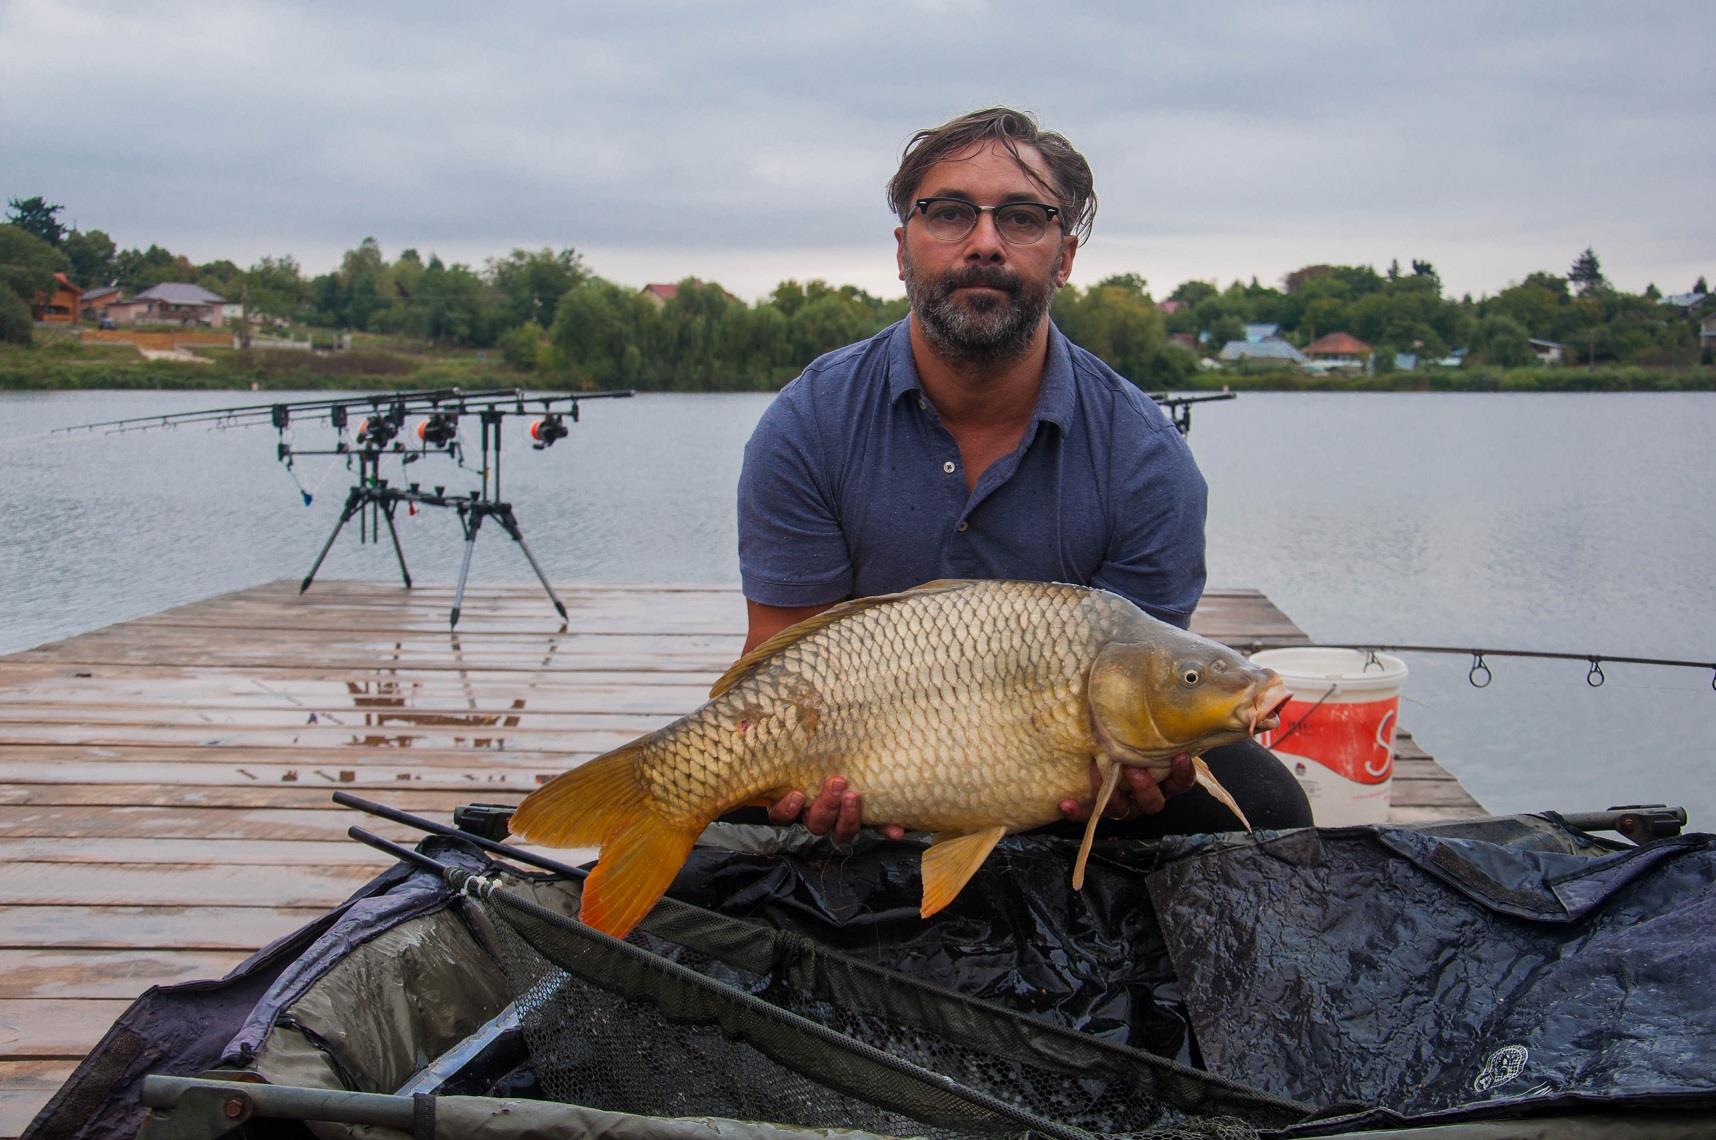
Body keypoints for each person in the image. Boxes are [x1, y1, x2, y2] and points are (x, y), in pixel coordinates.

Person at [734, 107, 1311, 843]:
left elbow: (1148, 679)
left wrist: (1144, 777)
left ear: (1064, 256)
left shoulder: (1146, 459)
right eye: (947, 214)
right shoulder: (808, 424)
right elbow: (774, 662)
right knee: (722, 812)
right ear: (903, 250)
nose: (984, 243)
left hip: (1054, 770)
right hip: (862, 749)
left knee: (1269, 814)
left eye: (1022, 219)